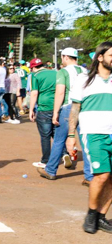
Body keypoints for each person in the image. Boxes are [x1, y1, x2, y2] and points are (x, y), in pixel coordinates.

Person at [67, 42, 112, 233]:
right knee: (101, 176)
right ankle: (92, 213)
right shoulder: (84, 79)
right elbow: (75, 108)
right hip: (93, 133)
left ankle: (102, 216)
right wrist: (71, 135)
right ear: (100, 57)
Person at [41, 48, 89, 182]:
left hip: (68, 107)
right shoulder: (85, 71)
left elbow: (60, 92)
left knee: (59, 140)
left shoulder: (63, 71)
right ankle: (90, 175)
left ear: (66, 57)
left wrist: (55, 112)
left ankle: (50, 170)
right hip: (84, 108)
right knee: (85, 142)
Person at [29, 58, 57, 168]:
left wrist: (31, 109)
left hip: (44, 107)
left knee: (45, 136)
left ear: (33, 67)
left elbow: (34, 93)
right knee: (57, 134)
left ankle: (45, 160)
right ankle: (65, 154)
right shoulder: (55, 72)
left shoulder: (35, 76)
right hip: (56, 106)